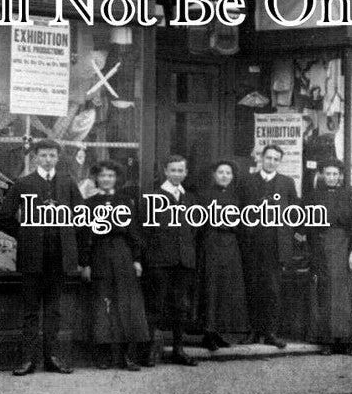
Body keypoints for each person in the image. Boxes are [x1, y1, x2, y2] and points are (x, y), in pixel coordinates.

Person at [0, 139, 81, 376]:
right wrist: (25, 233)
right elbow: (4, 217)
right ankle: (27, 360)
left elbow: (81, 216)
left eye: (52, 155)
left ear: (58, 157)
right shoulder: (23, 184)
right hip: (32, 257)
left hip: (59, 257)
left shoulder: (67, 183)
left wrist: (68, 236)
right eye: (43, 155)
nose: (48, 159)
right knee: (31, 310)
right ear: (35, 157)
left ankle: (52, 358)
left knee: (54, 310)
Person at [77, 160, 148, 371]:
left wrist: (136, 259)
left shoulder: (126, 202)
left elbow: (134, 232)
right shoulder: (88, 204)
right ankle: (104, 355)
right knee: (102, 303)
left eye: (111, 176)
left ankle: (128, 355)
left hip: (122, 253)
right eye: (103, 176)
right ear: (96, 179)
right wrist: (85, 263)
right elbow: (84, 235)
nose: (107, 179)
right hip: (99, 252)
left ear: (116, 178)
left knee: (127, 304)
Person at [237, 144, 300, 348]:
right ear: (261, 158)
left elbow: (294, 213)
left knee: (272, 290)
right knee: (253, 288)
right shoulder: (247, 181)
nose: (271, 162)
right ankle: (253, 331)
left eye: (275, 159)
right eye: (268, 158)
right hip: (252, 244)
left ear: (279, 162)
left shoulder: (287, 183)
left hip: (275, 246)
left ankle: (271, 332)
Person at [141, 155, 199, 366]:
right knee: (155, 306)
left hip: (183, 262)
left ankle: (178, 349)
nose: (177, 174)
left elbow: (194, 229)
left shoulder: (190, 198)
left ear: (185, 173)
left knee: (180, 307)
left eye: (180, 170)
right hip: (160, 261)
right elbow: (145, 231)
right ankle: (149, 351)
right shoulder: (153, 196)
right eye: (173, 170)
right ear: (165, 171)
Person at [305, 160, 352, 355]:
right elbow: (307, 225)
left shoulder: (347, 194)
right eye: (328, 174)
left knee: (344, 293)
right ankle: (327, 340)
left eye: (335, 174)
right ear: (323, 175)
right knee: (325, 292)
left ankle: (346, 340)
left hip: (343, 246)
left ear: (340, 176)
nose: (331, 177)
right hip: (321, 247)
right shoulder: (314, 195)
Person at [197, 160, 248, 351]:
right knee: (211, 287)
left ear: (233, 176)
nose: (224, 176)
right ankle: (208, 333)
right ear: (214, 174)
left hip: (230, 245)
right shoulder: (203, 196)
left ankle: (220, 331)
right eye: (221, 172)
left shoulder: (237, 196)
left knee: (226, 288)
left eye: (228, 173)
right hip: (211, 243)